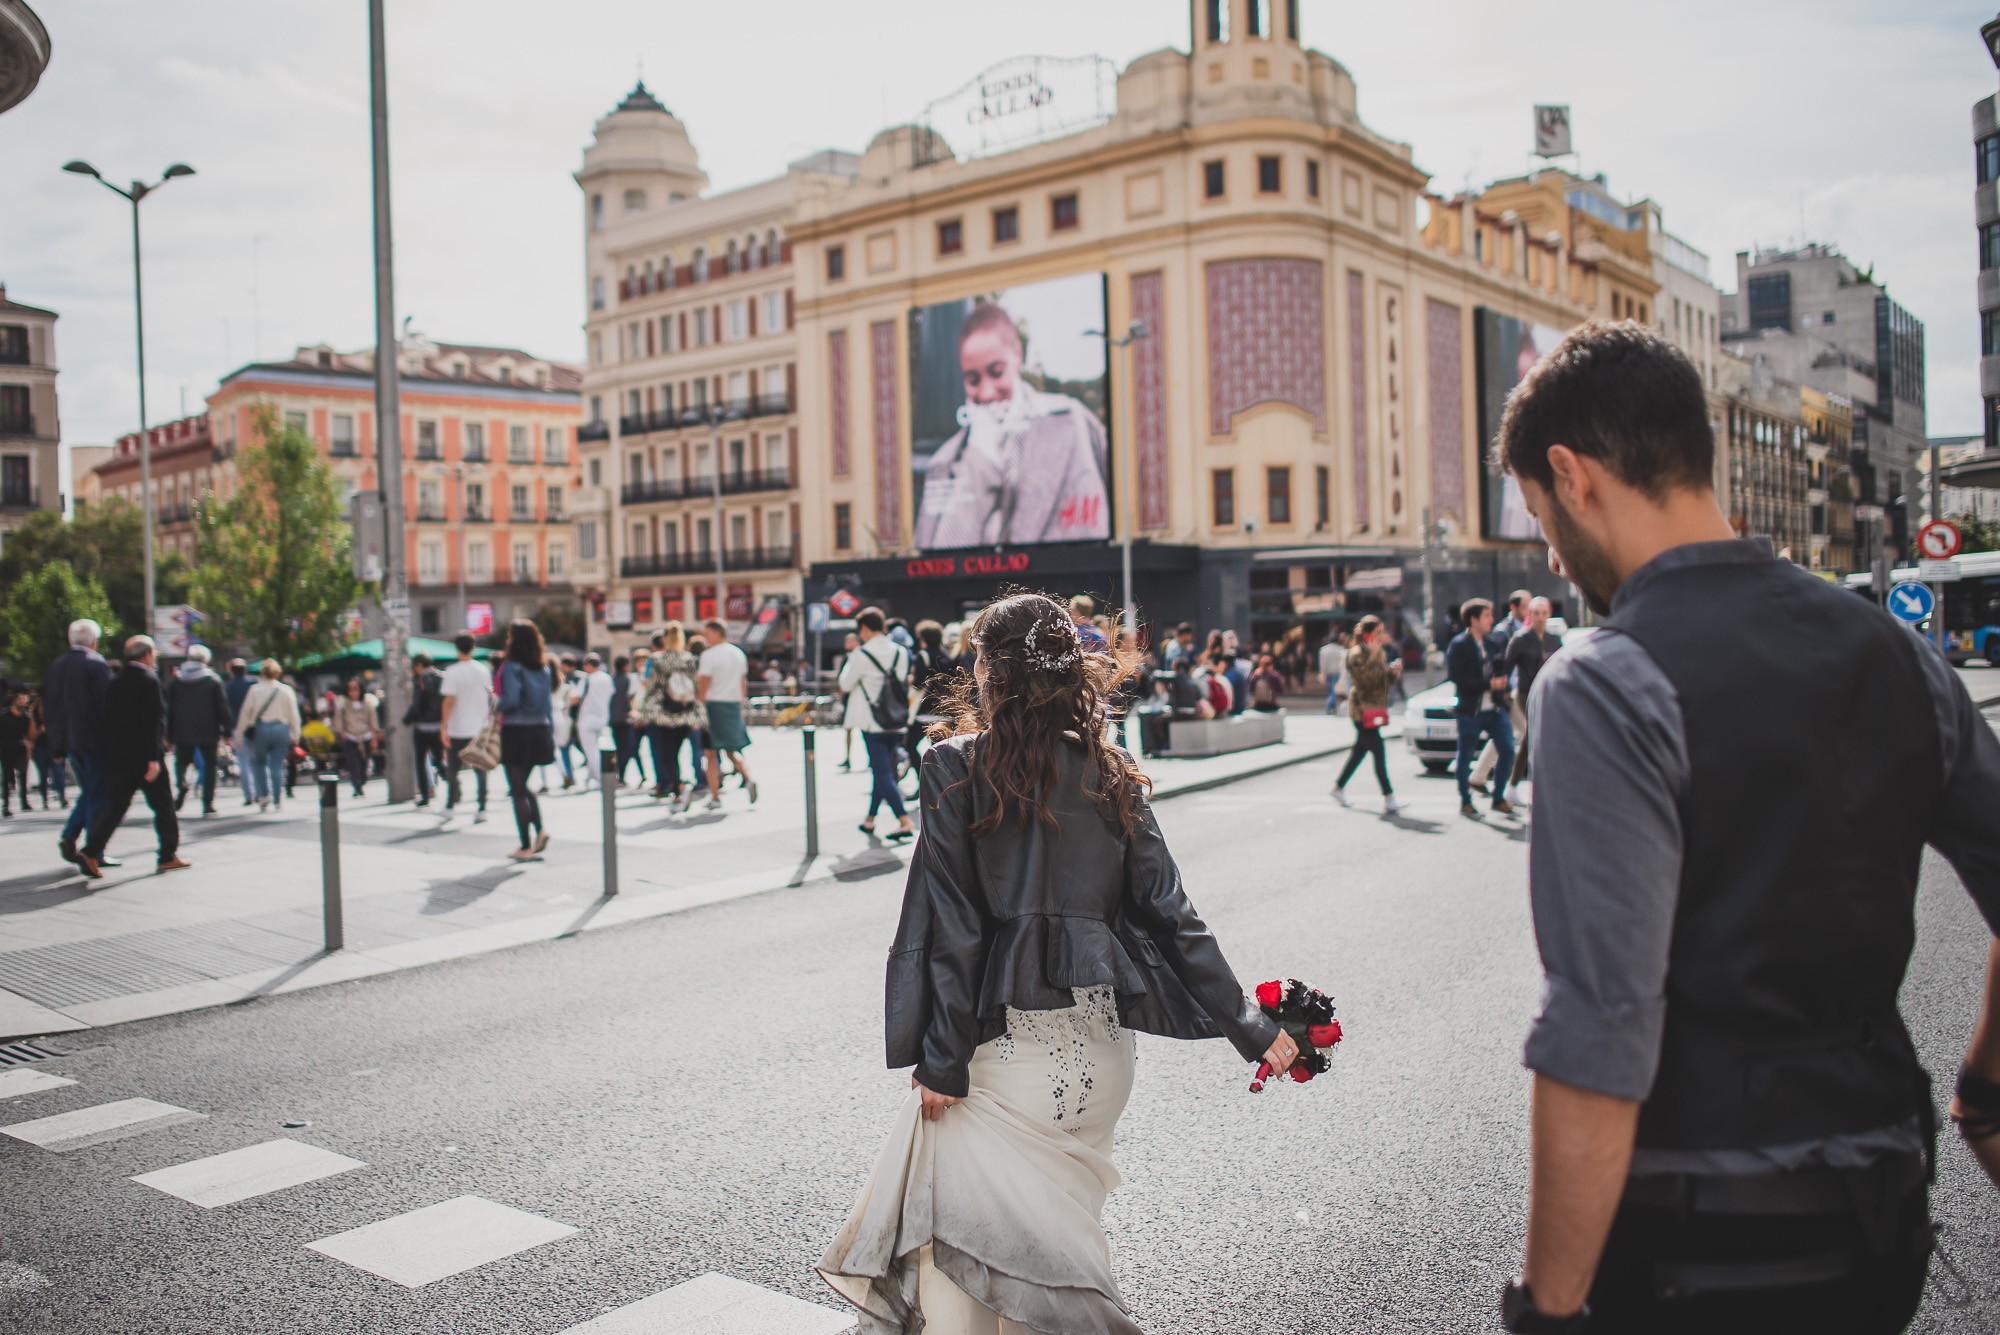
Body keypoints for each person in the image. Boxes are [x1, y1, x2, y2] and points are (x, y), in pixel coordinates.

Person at [1493, 320, 2000, 1335]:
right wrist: (1984, 1081)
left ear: (1572, 475)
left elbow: (1600, 1024)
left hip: (1694, 1243)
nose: (1549, 552)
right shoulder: (1898, 656)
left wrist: (1546, 1312)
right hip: (1881, 1221)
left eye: (1541, 516)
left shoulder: (1602, 681)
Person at [817, 592, 1297, 1333]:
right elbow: (1173, 914)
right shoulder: (1112, 767)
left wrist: (942, 1060)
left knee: (965, 1282)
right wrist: (1251, 1026)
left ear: (990, 671)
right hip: (1104, 1056)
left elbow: (956, 930)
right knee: (1052, 1271)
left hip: (1002, 1059)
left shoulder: (952, 766)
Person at [912, 304, 1110, 550]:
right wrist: (979, 465)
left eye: (996, 372)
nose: (986, 392)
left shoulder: (1071, 425)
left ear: (1017, 355)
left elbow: (1095, 531)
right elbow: (937, 558)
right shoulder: (943, 463)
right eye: (973, 380)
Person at [79, 636, 188, 877]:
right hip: (145, 755)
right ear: (147, 654)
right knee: (163, 804)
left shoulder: (115, 681)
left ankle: (91, 850)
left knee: (116, 805)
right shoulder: (149, 681)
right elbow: (152, 722)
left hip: (118, 754)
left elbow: (107, 719)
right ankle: (167, 855)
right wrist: (153, 758)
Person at [838, 606, 914, 842]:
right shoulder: (901, 652)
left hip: (872, 720)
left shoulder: (861, 654)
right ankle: (870, 818)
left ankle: (904, 821)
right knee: (882, 771)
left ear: (863, 628)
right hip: (896, 718)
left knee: (882, 773)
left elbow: (845, 684)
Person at [43, 618, 115, 869]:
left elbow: (51, 708)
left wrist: (56, 744)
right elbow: (107, 705)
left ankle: (71, 835)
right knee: (99, 793)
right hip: (95, 739)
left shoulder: (57, 665)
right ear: (94, 641)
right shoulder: (96, 663)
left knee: (91, 790)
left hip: (70, 740)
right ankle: (94, 850)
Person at [1446, 599, 1515, 818]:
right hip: (1470, 711)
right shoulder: (1459, 645)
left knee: (1508, 750)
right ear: (1473, 620)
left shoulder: (1492, 643)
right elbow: (1457, 677)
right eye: (1487, 616)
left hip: (1494, 708)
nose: (1491, 620)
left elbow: (1500, 667)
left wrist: (1503, 683)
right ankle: (1466, 801)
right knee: (1466, 755)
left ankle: (1498, 797)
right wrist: (1488, 684)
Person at [1330, 616, 1404, 814]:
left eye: (1382, 632)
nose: (1381, 636)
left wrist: (1393, 673)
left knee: (1359, 752)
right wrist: (1372, 657)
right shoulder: (1356, 654)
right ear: (1367, 634)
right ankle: (1389, 796)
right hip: (1361, 712)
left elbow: (1382, 682)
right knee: (1379, 751)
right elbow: (1364, 683)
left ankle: (1338, 788)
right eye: (1378, 632)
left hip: (1374, 709)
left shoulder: (1379, 652)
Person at [495, 619, 555, 859]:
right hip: (540, 729)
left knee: (517, 789)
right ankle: (539, 831)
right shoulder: (544, 668)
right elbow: (547, 705)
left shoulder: (512, 667)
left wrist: (494, 702)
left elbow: (510, 700)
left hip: (516, 730)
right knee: (522, 785)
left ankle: (525, 845)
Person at [1471, 591, 1535, 796]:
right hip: (1509, 692)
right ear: (1513, 608)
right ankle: (1511, 786)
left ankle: (1478, 776)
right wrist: (1501, 687)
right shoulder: (1503, 631)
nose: (1528, 611)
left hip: (1517, 690)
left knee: (1505, 734)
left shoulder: (1526, 628)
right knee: (1526, 734)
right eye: (1524, 607)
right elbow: (1495, 661)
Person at [636, 622, 705, 805]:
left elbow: (651, 687)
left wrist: (644, 712)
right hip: (686, 711)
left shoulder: (657, 659)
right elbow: (696, 686)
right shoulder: (689, 659)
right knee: (689, 749)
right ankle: (691, 782)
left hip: (665, 713)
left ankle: (677, 788)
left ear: (665, 638)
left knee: (668, 754)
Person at [1499, 597, 1562, 787]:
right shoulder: (1520, 639)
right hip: (1526, 693)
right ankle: (1520, 784)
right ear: (1530, 615)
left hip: (1548, 693)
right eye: (1536, 613)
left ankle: (1520, 785)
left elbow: (1563, 666)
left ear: (1549, 614)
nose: (1540, 618)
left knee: (1536, 737)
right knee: (1533, 734)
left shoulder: (1554, 639)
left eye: (1544, 613)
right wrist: (1505, 691)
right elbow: (1506, 667)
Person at [695, 619, 756, 810]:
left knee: (710, 753)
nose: (705, 638)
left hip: (713, 706)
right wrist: (741, 703)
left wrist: (698, 707)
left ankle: (715, 797)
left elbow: (703, 684)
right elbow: (743, 682)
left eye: (707, 634)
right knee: (732, 750)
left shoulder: (708, 655)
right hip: (733, 704)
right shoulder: (738, 653)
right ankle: (748, 778)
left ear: (716, 632)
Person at [164, 644, 230, 817]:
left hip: (181, 729)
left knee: (181, 762)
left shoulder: (176, 681)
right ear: (205, 660)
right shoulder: (212, 680)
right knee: (209, 766)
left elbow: (168, 709)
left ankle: (182, 785)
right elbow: (222, 707)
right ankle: (208, 803)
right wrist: (227, 731)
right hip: (208, 729)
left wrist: (167, 733)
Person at [234, 659, 300, 812]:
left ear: (262, 673)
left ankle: (264, 795)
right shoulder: (286, 690)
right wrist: (296, 734)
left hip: (261, 729)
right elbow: (294, 715)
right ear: (277, 673)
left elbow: (245, 713)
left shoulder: (255, 690)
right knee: (277, 764)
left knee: (259, 763)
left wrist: (240, 734)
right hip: (282, 729)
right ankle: (277, 798)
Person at [439, 634, 491, 819]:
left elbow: (448, 701)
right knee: (480, 769)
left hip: (457, 728)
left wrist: (443, 726)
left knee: (453, 769)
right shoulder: (483, 670)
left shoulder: (452, 671)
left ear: (456, 648)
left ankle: (450, 806)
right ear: (474, 646)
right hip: (479, 727)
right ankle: (482, 808)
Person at [905, 620, 952, 773]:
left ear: (922, 638)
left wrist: (911, 679)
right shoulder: (948, 655)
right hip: (945, 709)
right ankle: (940, 780)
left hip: (925, 710)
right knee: (940, 749)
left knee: (909, 744)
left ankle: (923, 776)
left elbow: (918, 683)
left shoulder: (922, 656)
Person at [400, 653, 446, 807]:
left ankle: (425, 795)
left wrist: (407, 719)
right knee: (439, 760)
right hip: (438, 725)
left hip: (422, 727)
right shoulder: (441, 677)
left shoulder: (420, 680)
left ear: (419, 665)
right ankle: (453, 785)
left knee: (420, 761)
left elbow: (416, 703)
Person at [331, 677, 379, 799]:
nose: (353, 692)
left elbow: (373, 720)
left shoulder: (368, 703)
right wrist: (342, 733)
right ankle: (357, 787)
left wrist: (374, 737)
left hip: (366, 736)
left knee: (364, 762)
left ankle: (362, 780)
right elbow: (338, 720)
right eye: (350, 689)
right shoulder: (343, 704)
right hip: (350, 736)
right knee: (353, 763)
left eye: (355, 689)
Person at [223, 658, 254, 806]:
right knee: (260, 760)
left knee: (243, 762)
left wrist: (226, 733)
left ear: (232, 671)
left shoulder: (228, 687)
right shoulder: (254, 684)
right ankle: (262, 791)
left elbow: (226, 711)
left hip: (237, 727)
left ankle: (249, 794)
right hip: (255, 726)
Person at [608, 654, 641, 787]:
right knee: (626, 748)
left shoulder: (610, 679)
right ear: (626, 666)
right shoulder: (630, 679)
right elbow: (633, 697)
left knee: (618, 747)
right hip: (627, 718)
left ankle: (617, 775)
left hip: (613, 718)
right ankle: (621, 775)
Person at [30, 693, 65, 810]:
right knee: (43, 775)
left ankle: (62, 796)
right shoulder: (34, 721)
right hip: (40, 750)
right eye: (41, 707)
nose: (43, 710)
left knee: (59, 774)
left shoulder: (54, 719)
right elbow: (31, 737)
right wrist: (40, 730)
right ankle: (45, 799)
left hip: (54, 748)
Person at [0, 689, 29, 816]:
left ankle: (24, 801)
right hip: (5, 750)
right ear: (14, 701)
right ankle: (6, 805)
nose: (23, 702)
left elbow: (28, 735)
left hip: (20, 749)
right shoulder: (4, 716)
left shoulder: (26, 717)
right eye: (21, 699)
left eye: (24, 700)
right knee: (6, 778)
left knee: (23, 773)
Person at [1319, 630, 1347, 713]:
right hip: (1337, 672)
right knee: (1334, 690)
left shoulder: (1323, 650)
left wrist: (1322, 673)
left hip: (1328, 672)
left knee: (1331, 690)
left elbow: (1322, 663)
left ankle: (1331, 706)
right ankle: (1330, 706)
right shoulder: (1341, 649)